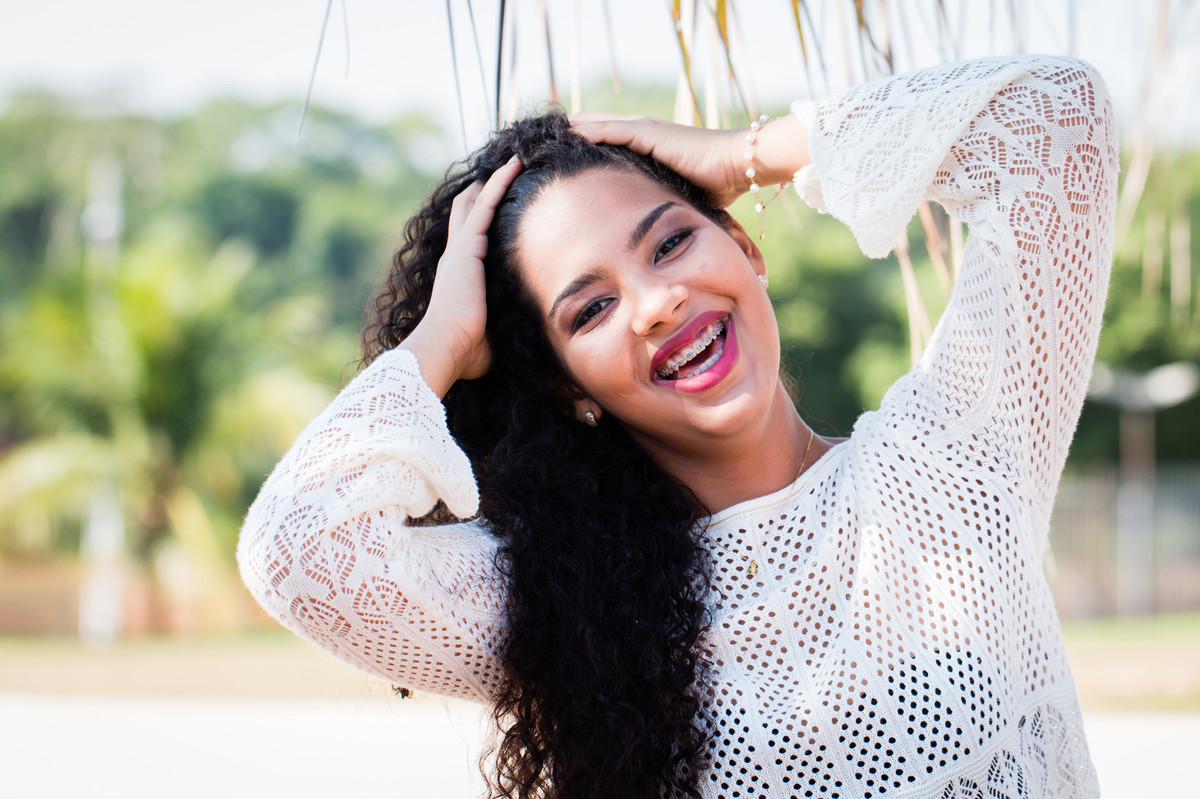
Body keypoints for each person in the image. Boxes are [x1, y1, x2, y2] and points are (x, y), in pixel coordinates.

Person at [238, 54, 1116, 799]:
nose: (657, 303)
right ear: (569, 388)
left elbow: (1056, 119)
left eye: (669, 243)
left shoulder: (951, 463)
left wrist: (748, 151)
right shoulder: (566, 604)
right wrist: (445, 336)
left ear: (746, 249)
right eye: (589, 311)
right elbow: (296, 550)